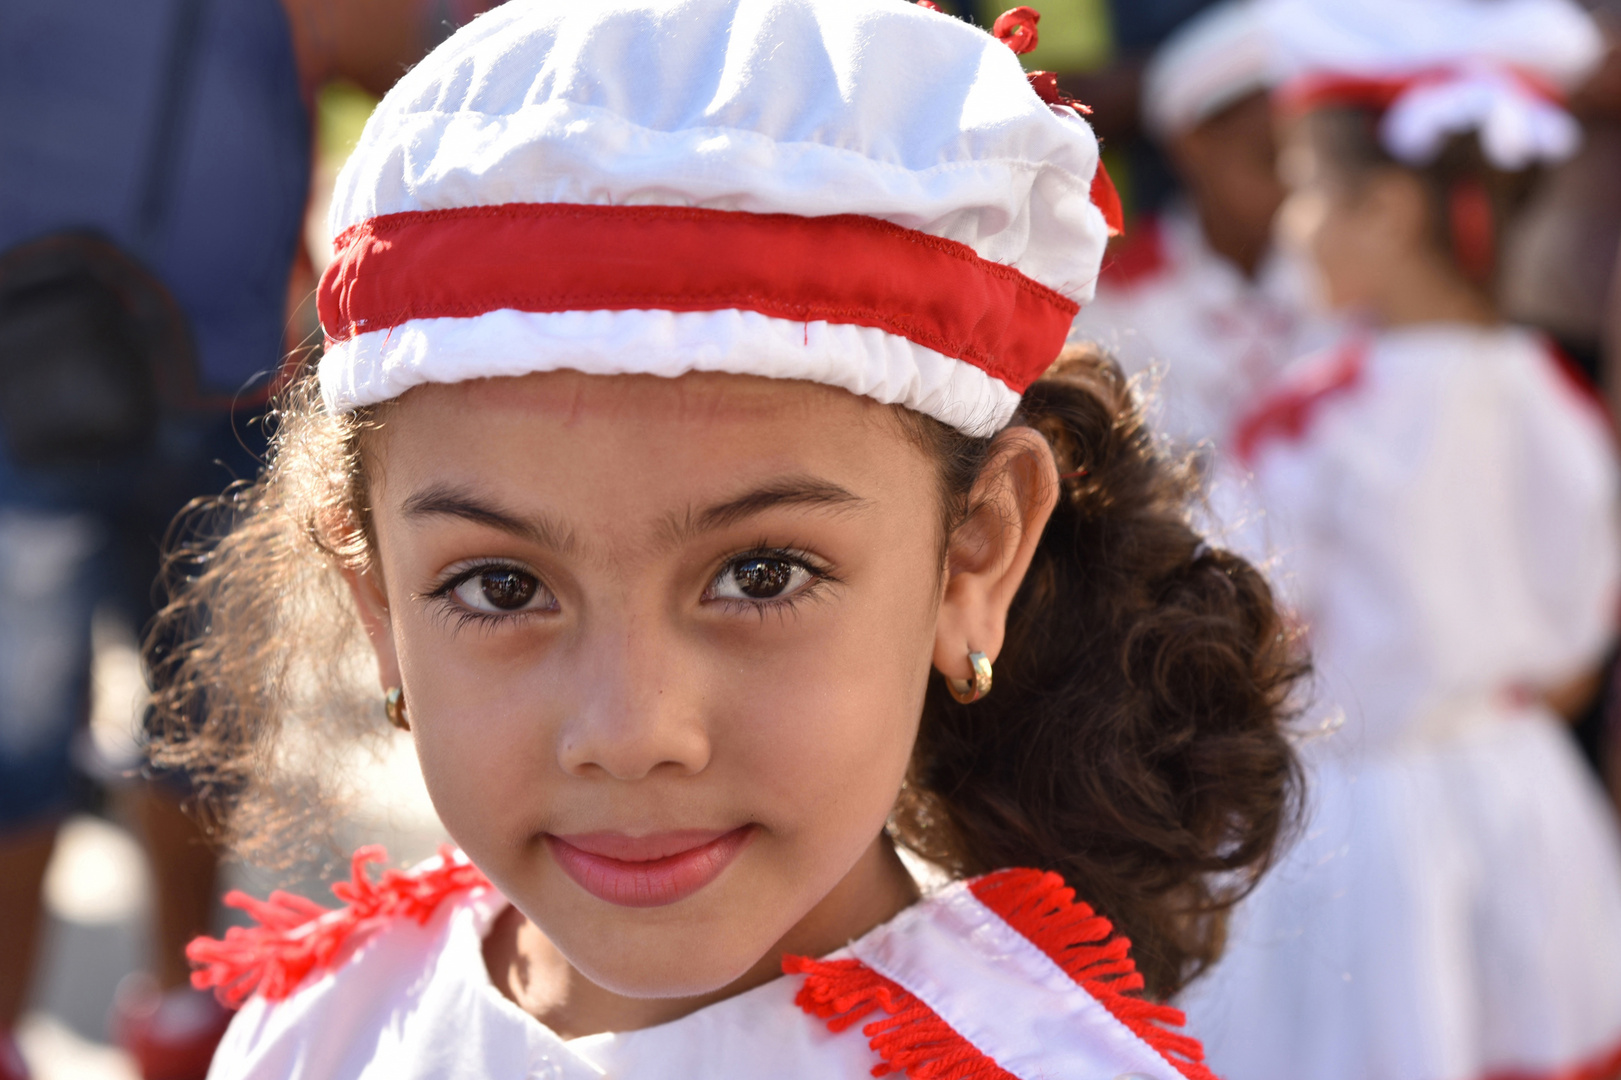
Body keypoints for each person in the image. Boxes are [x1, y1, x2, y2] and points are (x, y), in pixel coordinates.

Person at [142, 2, 1305, 1076]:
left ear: (973, 558)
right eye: (500, 586)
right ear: (379, 602)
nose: (632, 732)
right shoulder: (333, 1022)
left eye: (760, 574)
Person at [1178, 0, 1621, 1076]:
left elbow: (1253, 636)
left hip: (1356, 822)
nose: (1292, 223)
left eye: (1307, 187)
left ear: (1383, 212)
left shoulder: (1316, 418)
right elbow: (1571, 663)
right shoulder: (1555, 399)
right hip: (1523, 797)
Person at [1070, 0, 1337, 462]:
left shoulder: (1351, 283)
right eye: (1269, 159)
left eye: (1311, 165)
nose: (1291, 188)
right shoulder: (1117, 297)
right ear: (1192, 144)